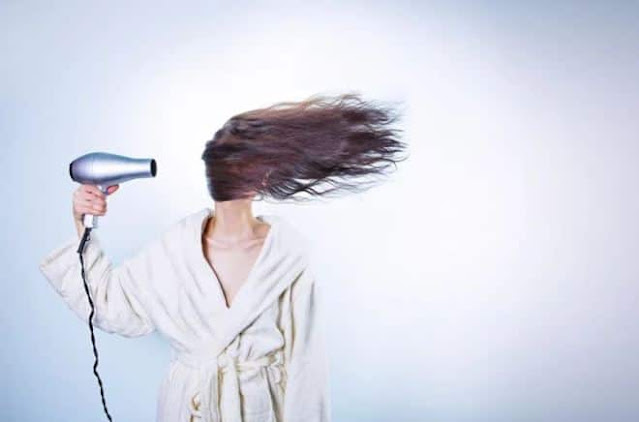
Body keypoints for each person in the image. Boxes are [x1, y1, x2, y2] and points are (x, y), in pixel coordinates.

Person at [38, 92, 408, 422]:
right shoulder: (174, 251)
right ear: (264, 178)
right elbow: (110, 307)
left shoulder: (287, 258)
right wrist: (82, 224)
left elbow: (306, 371)